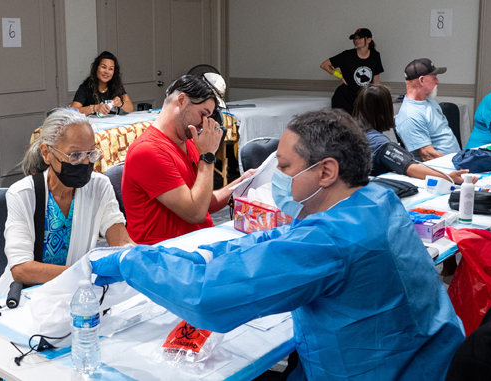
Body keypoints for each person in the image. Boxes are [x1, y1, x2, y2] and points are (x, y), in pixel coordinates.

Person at [91, 110, 466, 380]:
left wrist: (130, 260)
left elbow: (208, 296)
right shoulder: (376, 201)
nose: (278, 180)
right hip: (426, 357)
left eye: (285, 168)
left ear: (326, 171)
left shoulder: (329, 241)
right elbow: (281, 240)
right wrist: (201, 253)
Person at [0, 109, 133, 301]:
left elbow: (121, 242)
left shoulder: (99, 186)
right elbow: (22, 270)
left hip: (74, 294)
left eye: (90, 153)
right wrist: (86, 274)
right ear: (47, 153)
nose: (85, 162)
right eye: (75, 155)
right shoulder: (23, 194)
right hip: (23, 297)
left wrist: (135, 259)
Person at [121, 75, 255, 244]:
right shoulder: (147, 151)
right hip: (163, 255)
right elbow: (196, 213)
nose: (204, 123)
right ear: (182, 101)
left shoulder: (188, 142)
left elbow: (204, 201)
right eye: (203, 114)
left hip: (192, 244)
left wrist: (241, 183)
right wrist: (208, 156)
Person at [354, 84, 471, 183]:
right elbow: (410, 168)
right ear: (385, 110)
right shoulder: (380, 143)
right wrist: (449, 177)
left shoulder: (351, 131)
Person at [395, 58, 461, 160]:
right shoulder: (410, 115)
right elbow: (427, 155)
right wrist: (458, 163)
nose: (437, 81)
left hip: (455, 162)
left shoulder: (429, 102)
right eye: (434, 78)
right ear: (421, 80)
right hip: (442, 169)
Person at [320, 28, 383, 114]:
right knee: (345, 125)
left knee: (363, 124)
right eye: (355, 38)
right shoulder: (347, 55)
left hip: (364, 98)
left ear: (369, 40)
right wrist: (340, 76)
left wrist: (378, 97)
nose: (356, 40)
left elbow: (376, 79)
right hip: (345, 98)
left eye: (360, 38)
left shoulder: (375, 56)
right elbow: (325, 65)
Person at [71, 51, 133, 115]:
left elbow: (130, 108)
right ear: (96, 68)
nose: (107, 72)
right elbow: (73, 111)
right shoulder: (85, 87)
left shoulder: (116, 85)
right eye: (103, 67)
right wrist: (95, 108)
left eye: (111, 69)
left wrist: (120, 103)